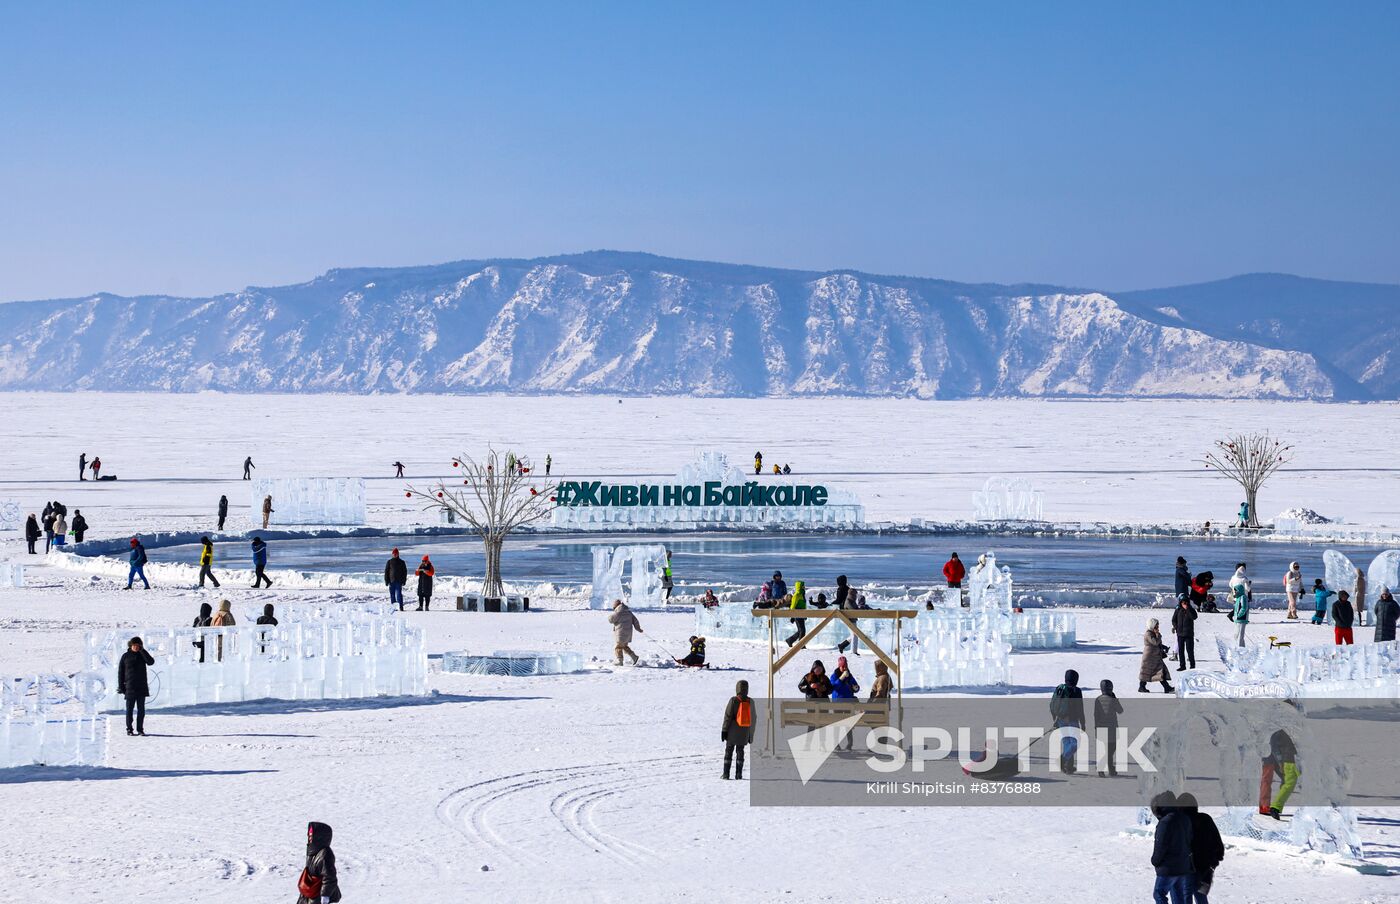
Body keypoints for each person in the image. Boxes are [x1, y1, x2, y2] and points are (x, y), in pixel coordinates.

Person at [1176, 792, 1224, 903]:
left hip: (1188, 866)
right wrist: (1214, 862)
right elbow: (1218, 843)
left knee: (1186, 894)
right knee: (1200, 894)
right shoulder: (1206, 819)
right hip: (1205, 866)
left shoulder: (1182, 822)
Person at [1150, 791, 1195, 904]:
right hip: (1183, 866)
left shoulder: (1165, 822)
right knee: (1177, 893)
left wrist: (1155, 861)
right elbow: (1189, 840)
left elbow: (1160, 846)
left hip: (1169, 868)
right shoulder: (1185, 819)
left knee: (1159, 894)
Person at [117, 637, 154, 737]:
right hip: (129, 687)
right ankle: (129, 729)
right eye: (134, 645)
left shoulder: (142, 655)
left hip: (141, 687)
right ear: (130, 645)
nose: (136, 647)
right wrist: (121, 687)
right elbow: (121, 672)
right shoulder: (125, 656)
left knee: (141, 710)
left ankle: (140, 729)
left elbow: (151, 662)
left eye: (138, 646)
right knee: (129, 710)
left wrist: (143, 651)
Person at [297, 822, 342, 904]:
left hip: (318, 895)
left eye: (312, 835)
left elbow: (329, 877)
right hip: (309, 892)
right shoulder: (312, 850)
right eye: (309, 835)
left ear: (319, 836)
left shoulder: (325, 854)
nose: (310, 837)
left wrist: (325, 896)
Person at [1050, 669, 1085, 772]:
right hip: (1072, 720)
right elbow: (1080, 708)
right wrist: (1083, 722)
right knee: (1075, 743)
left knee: (1067, 743)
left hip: (1060, 719)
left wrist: (1056, 719)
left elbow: (1053, 704)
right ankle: (1062, 760)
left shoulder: (1060, 688)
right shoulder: (1076, 691)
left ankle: (1068, 766)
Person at [1261, 728, 1298, 819]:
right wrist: (1280, 761)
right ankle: (1266, 807)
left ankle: (1274, 805)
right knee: (1267, 780)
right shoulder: (1276, 732)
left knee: (1286, 781)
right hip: (1275, 757)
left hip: (1284, 757)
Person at [721, 679, 754, 780]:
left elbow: (728, 716)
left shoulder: (734, 700)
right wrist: (750, 735)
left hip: (732, 731)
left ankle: (726, 774)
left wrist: (724, 730)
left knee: (729, 751)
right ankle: (739, 774)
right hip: (744, 731)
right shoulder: (750, 701)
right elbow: (754, 719)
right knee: (740, 751)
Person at [1094, 679, 1123, 776]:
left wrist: (1096, 727)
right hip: (1112, 728)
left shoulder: (1097, 699)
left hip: (1101, 727)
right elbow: (1120, 710)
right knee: (1111, 748)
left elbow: (1095, 715)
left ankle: (1110, 769)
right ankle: (1106, 768)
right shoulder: (1112, 699)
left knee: (1107, 749)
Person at [1139, 618, 1174, 693]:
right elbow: (1155, 642)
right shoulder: (1148, 633)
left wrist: (1164, 647)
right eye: (1156, 625)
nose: (1158, 626)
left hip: (1154, 656)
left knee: (1159, 671)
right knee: (1151, 671)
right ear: (1152, 625)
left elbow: (1157, 643)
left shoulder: (1152, 633)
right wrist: (1158, 634)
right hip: (1150, 656)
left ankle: (1166, 687)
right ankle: (1166, 688)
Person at [609, 599, 642, 665]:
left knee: (618, 647)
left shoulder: (618, 613)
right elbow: (635, 621)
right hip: (628, 634)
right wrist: (638, 628)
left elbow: (611, 620)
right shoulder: (629, 612)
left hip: (620, 633)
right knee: (624, 646)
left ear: (616, 606)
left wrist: (610, 616)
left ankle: (619, 661)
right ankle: (634, 657)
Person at [1171, 595, 1196, 671]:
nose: (1184, 603)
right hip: (1180, 634)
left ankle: (1192, 666)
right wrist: (1176, 627)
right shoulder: (1178, 609)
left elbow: (1194, 617)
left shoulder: (1190, 609)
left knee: (1190, 651)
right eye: (1182, 602)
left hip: (1188, 634)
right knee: (1181, 651)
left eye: (1185, 602)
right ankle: (1182, 666)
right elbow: (1173, 619)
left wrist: (1187, 609)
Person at [1228, 564, 1251, 647]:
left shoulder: (1233, 577)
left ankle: (1239, 646)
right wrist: (1248, 585)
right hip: (1241, 595)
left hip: (1237, 597)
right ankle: (1239, 646)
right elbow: (1248, 589)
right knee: (1239, 632)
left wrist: (1235, 589)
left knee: (1238, 631)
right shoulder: (1244, 578)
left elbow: (1230, 585)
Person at [785, 579, 808, 647]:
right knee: (802, 630)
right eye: (802, 586)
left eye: (804, 586)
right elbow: (792, 606)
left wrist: (805, 615)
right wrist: (792, 616)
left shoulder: (802, 594)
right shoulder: (796, 595)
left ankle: (790, 640)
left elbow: (803, 605)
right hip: (797, 614)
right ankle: (801, 645)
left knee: (801, 630)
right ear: (799, 587)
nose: (804, 587)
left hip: (801, 614)